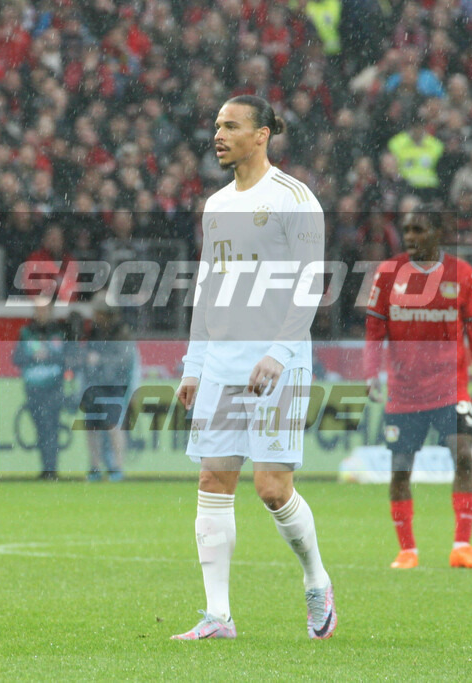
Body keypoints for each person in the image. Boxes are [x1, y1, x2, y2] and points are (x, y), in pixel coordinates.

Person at [172, 95, 335, 641]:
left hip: (278, 364)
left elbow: (310, 283)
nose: (219, 135)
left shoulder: (294, 197)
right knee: (213, 478)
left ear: (262, 135)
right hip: (220, 362)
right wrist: (194, 364)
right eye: (216, 125)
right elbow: (207, 289)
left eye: (231, 126)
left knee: (271, 488)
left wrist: (280, 353)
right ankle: (218, 616)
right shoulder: (216, 203)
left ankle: (317, 582)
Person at [364, 208, 472, 571]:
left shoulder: (462, 274)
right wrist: (369, 375)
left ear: (437, 232)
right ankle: (407, 550)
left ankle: (462, 546)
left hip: (450, 389)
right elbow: (374, 331)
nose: (409, 236)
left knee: (465, 457)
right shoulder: (388, 273)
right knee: (399, 470)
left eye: (418, 230)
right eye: (406, 230)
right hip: (404, 392)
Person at [81, 294, 139, 483]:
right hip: (94, 386)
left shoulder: (121, 332)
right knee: (92, 427)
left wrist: (101, 361)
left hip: (114, 387)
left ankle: (117, 467)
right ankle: (95, 466)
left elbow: (125, 361)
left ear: (105, 314)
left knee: (114, 426)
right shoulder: (94, 331)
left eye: (98, 313)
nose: (95, 317)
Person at [13, 298, 69, 480]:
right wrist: (33, 357)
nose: (41, 313)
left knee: (51, 427)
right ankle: (46, 468)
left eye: (44, 310)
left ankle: (51, 469)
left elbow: (69, 357)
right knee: (41, 428)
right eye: (38, 310)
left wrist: (50, 356)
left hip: (54, 388)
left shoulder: (60, 332)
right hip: (34, 388)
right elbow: (17, 358)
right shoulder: (27, 332)